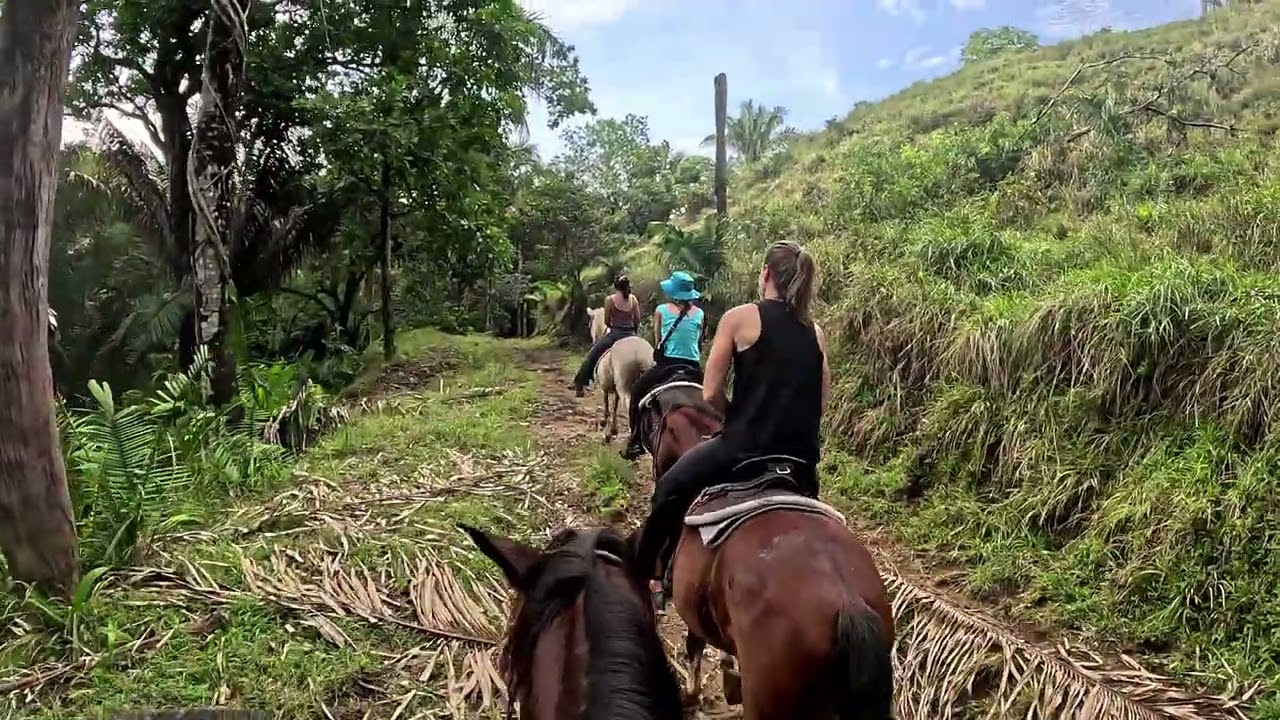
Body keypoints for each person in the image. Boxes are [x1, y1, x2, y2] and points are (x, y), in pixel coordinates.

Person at [632, 241, 831, 596]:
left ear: (766, 274)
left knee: (669, 488)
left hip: (743, 449)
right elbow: (822, 402)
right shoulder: (815, 331)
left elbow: (709, 393)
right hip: (801, 462)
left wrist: (736, 419)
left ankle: (644, 571)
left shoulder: (739, 318)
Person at [620, 271, 706, 461]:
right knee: (715, 399)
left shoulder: (661, 310)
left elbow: (658, 340)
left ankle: (634, 440)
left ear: (672, 292)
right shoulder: (700, 313)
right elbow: (699, 343)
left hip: (667, 364)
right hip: (693, 366)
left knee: (636, 392)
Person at [573, 274, 641, 397]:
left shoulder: (610, 300)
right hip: (631, 334)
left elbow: (606, 322)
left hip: (615, 334)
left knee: (592, 355)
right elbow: (637, 320)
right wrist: (633, 332)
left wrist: (615, 326)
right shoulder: (633, 299)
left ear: (616, 286)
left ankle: (580, 383)